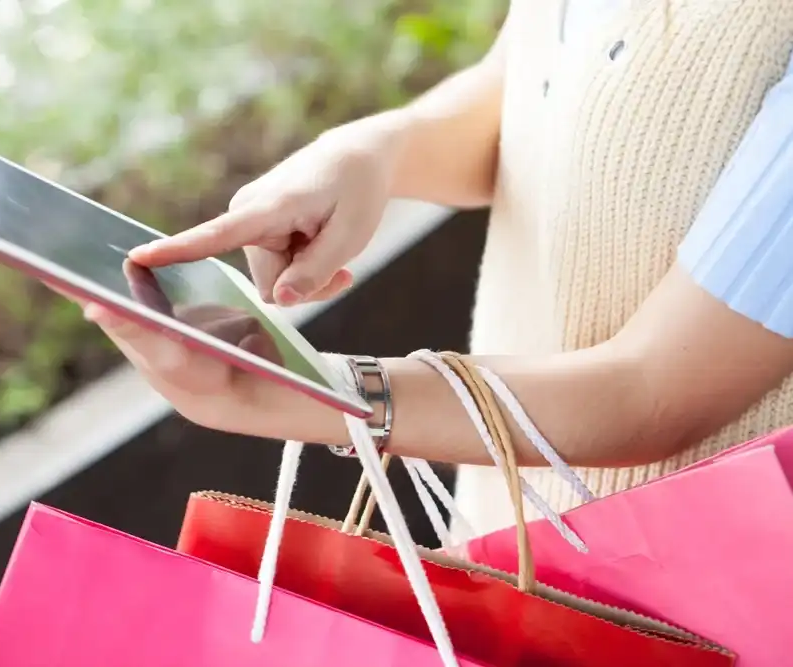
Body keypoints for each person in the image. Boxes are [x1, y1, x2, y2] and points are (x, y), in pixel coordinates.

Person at [78, 0, 793, 535]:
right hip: (514, 551)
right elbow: (528, 86)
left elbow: (651, 394)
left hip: (699, 594)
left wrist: (300, 390)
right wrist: (372, 152)